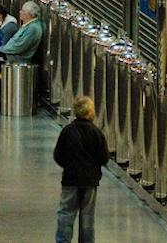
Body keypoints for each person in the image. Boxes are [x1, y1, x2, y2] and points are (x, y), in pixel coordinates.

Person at [54, 96, 109, 243]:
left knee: (66, 212)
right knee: (87, 216)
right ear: (90, 112)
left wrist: (68, 166)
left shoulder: (67, 131)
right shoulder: (97, 133)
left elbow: (58, 155)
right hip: (90, 181)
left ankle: (62, 240)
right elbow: (104, 158)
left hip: (70, 179)